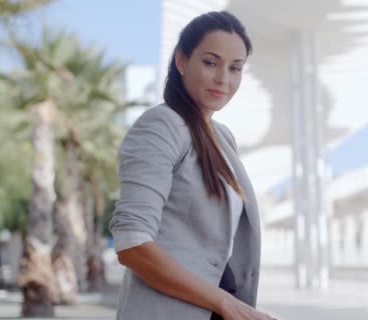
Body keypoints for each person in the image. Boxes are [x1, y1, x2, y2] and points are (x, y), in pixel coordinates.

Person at [109, 11, 275, 320]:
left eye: (235, 68)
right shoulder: (162, 125)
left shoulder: (222, 137)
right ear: (182, 61)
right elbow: (132, 242)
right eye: (211, 62)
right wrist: (224, 302)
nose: (223, 79)